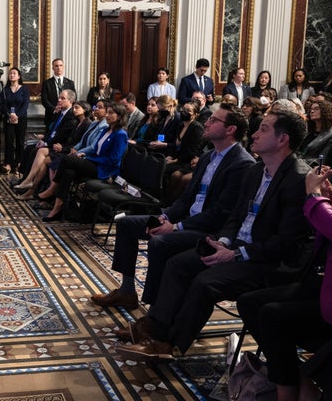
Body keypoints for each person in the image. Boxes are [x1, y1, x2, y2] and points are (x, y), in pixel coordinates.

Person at [115, 112, 312, 361]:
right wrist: (225, 241)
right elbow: (236, 216)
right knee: (179, 264)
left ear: (282, 139)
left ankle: (172, 345)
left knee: (205, 281)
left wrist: (236, 253)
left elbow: (287, 242)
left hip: (268, 260)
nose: (254, 134)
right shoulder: (258, 170)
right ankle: (157, 328)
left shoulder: (298, 179)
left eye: (262, 129)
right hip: (238, 245)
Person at [236, 152, 332, 401]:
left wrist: (315, 196)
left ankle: (289, 388)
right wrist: (327, 201)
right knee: (250, 303)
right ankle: (298, 378)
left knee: (273, 315)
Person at [89, 104, 256, 310]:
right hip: (187, 220)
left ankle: (154, 310)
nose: (207, 122)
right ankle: (127, 290)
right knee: (126, 224)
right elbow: (186, 199)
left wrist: (177, 227)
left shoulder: (241, 164)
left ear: (230, 130)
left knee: (159, 242)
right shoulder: (207, 157)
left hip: (208, 231)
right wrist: (166, 217)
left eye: (214, 120)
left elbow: (220, 213)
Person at [36, 103, 128, 222]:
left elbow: (113, 159)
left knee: (67, 159)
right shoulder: (106, 130)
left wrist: (89, 158)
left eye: (111, 113)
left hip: (105, 169)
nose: (107, 115)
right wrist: (86, 155)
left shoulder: (121, 134)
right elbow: (95, 149)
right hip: (94, 163)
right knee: (68, 172)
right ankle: (57, 209)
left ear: (120, 116)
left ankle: (52, 190)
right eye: (108, 112)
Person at [15, 100, 90, 199]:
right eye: (74, 108)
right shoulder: (78, 122)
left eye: (77, 108)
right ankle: (31, 189)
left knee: (42, 153)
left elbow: (79, 143)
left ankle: (32, 186)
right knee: (41, 156)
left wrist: (62, 148)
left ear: (84, 110)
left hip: (72, 152)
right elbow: (54, 129)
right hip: (66, 148)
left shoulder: (87, 124)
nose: (74, 110)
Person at [0, 67, 30, 174]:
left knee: (20, 142)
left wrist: (17, 115)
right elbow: (3, 105)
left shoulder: (24, 89)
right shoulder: (5, 90)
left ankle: (19, 163)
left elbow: (25, 104)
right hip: (8, 119)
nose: (12, 75)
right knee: (9, 142)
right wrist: (10, 114)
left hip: (21, 119)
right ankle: (8, 164)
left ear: (19, 76)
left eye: (14, 73)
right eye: (10, 73)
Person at [297, 99, 332, 166]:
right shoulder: (309, 131)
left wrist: (297, 162)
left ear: (325, 111)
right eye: (311, 109)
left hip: (311, 168)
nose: (312, 111)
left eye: (316, 109)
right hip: (298, 164)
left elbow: (321, 159)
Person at [41, 58, 76, 127]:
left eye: (61, 65)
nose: (59, 68)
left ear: (63, 67)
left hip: (67, 115)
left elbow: (74, 98)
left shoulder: (70, 83)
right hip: (51, 115)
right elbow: (44, 99)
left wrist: (67, 108)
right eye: (56, 66)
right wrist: (54, 109)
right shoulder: (47, 83)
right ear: (53, 68)